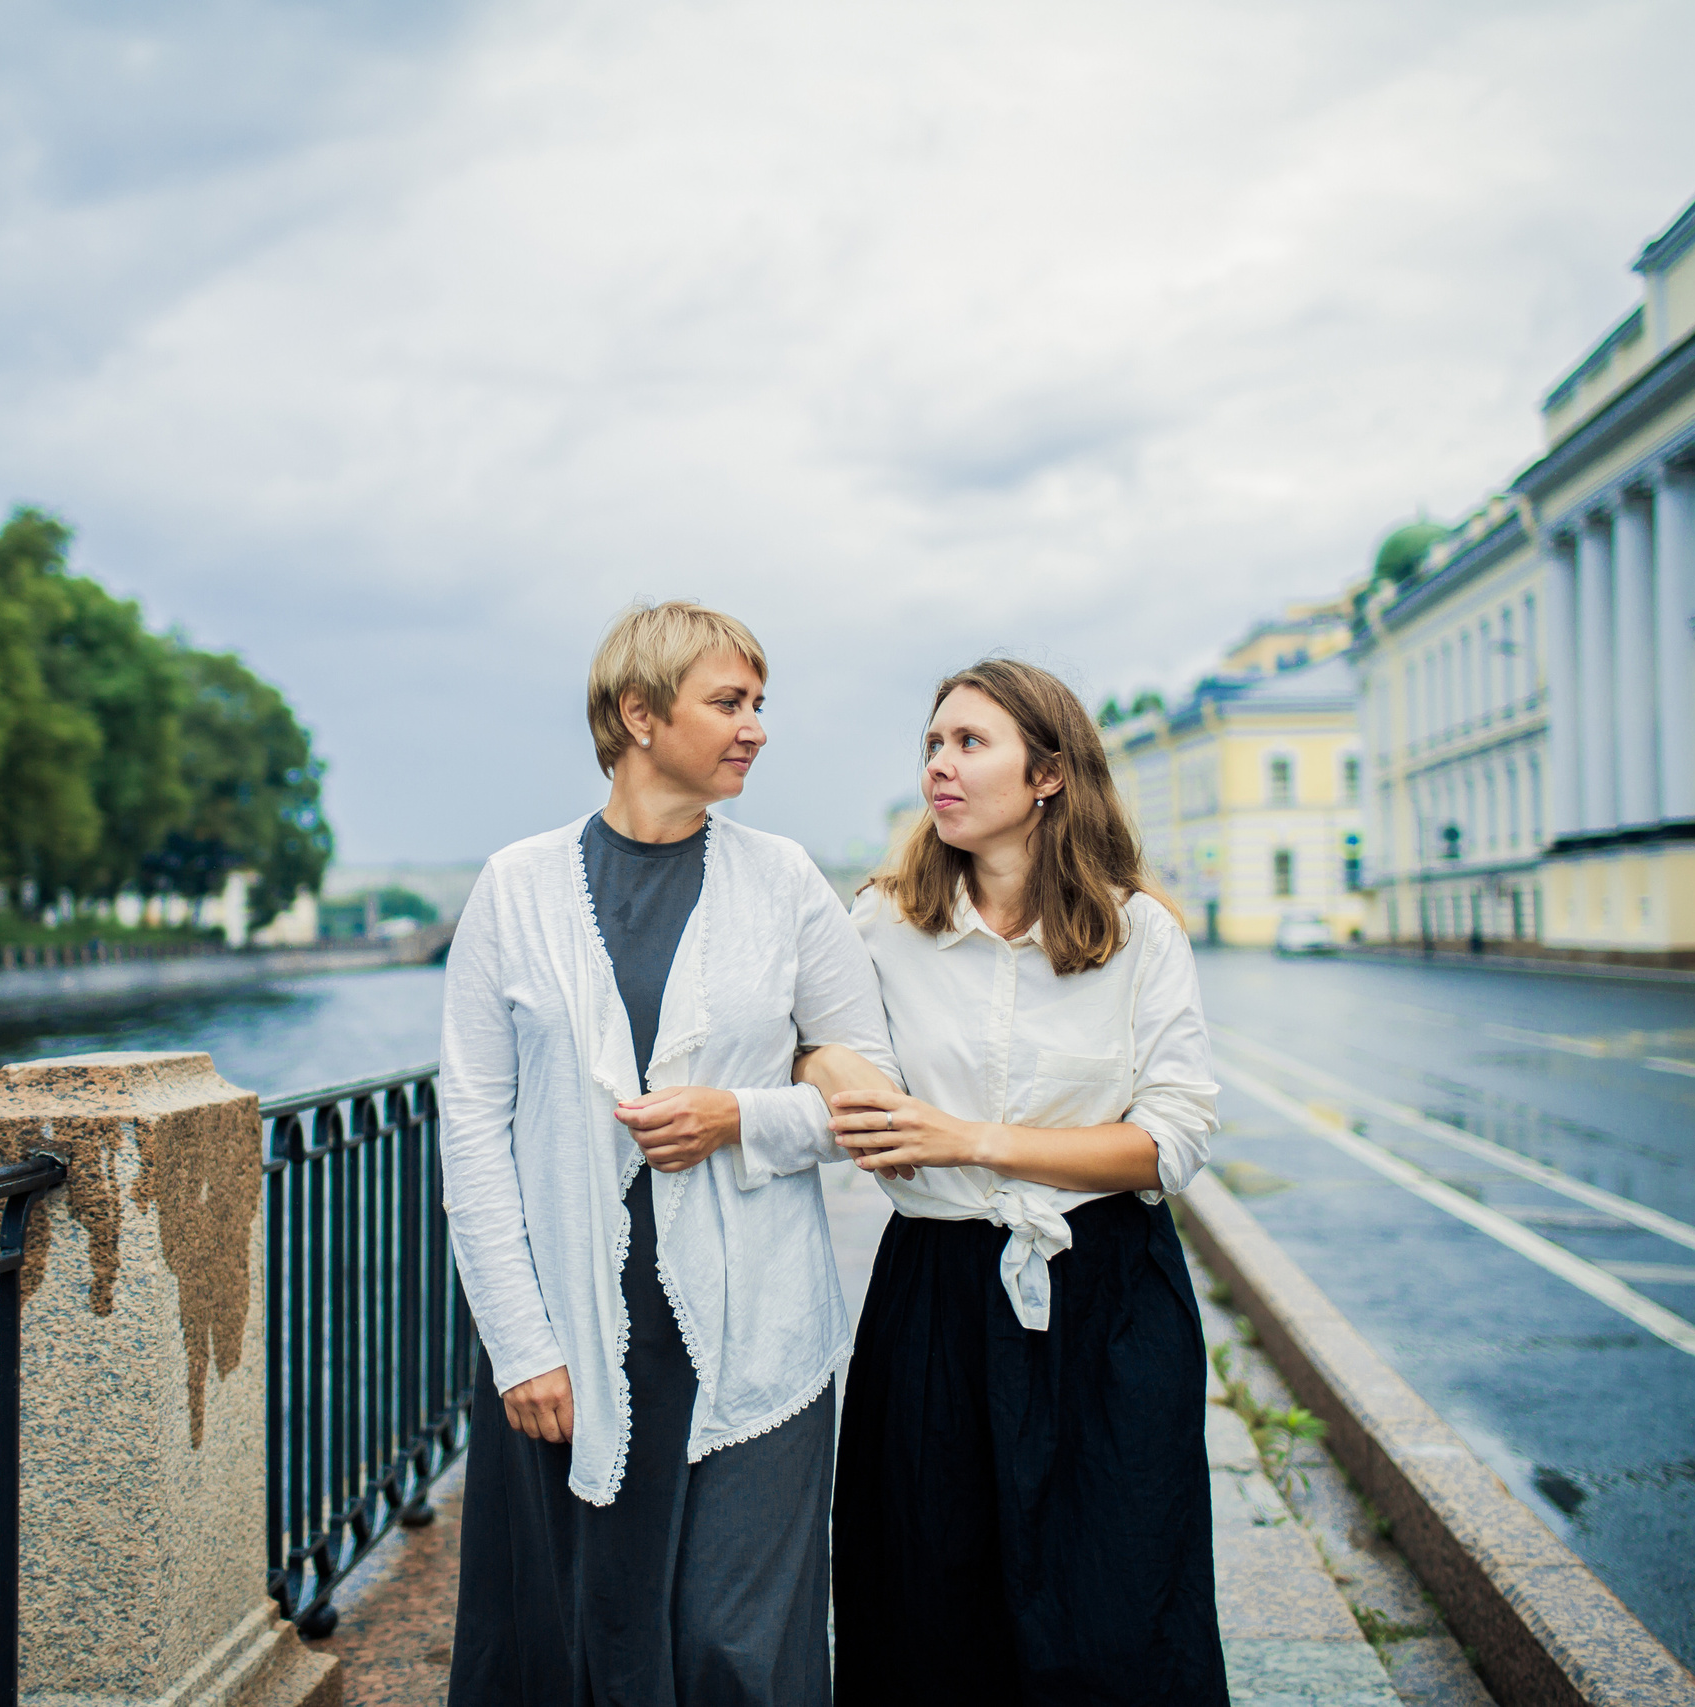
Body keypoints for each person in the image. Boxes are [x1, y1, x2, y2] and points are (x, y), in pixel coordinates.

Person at [440, 600, 895, 1707]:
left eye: (758, 704)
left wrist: (742, 1117)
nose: (756, 728)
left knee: (732, 1650)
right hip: (573, 1334)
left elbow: (873, 1096)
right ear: (639, 715)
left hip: (757, 1325)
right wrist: (522, 1347)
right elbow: (471, 1129)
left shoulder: (785, 881)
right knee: (584, 1641)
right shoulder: (514, 887)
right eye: (729, 703)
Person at [800, 657, 1226, 1706]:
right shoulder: (884, 926)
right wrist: (830, 1073)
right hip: (935, 1296)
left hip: (1108, 1293)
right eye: (932, 745)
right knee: (928, 1598)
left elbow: (1170, 1140)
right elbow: (811, 1048)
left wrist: (972, 1139)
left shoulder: (1138, 934)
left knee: (1116, 1597)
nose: (939, 766)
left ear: (1045, 774)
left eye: (968, 743)